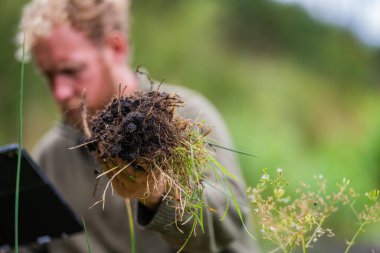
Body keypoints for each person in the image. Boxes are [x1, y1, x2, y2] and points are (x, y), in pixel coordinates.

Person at [17, 0, 259, 252]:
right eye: (48, 75)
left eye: (71, 70)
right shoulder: (52, 156)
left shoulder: (185, 117)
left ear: (116, 48)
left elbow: (229, 221)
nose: (59, 91)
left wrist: (159, 195)